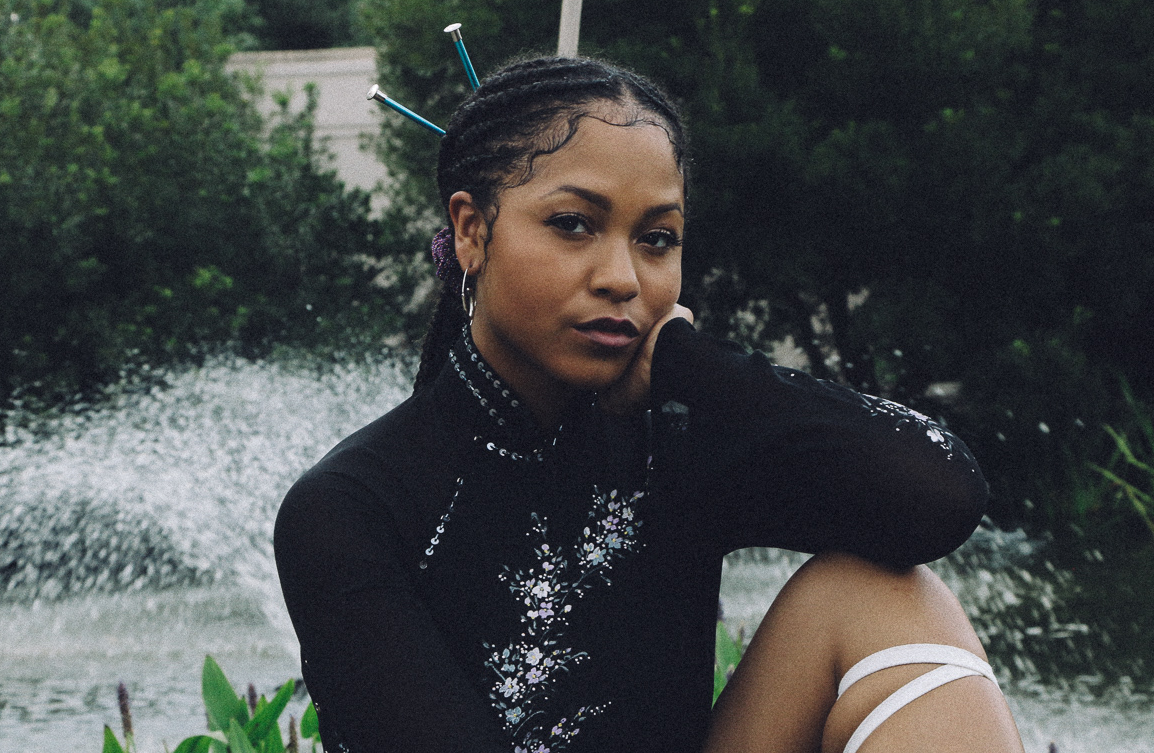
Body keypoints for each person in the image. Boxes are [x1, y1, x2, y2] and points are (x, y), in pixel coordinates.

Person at [274, 56, 1024, 753]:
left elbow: (940, 496)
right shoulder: (351, 508)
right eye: (573, 224)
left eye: (657, 239)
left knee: (880, 595)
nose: (622, 277)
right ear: (472, 230)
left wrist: (692, 367)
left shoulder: (671, 448)